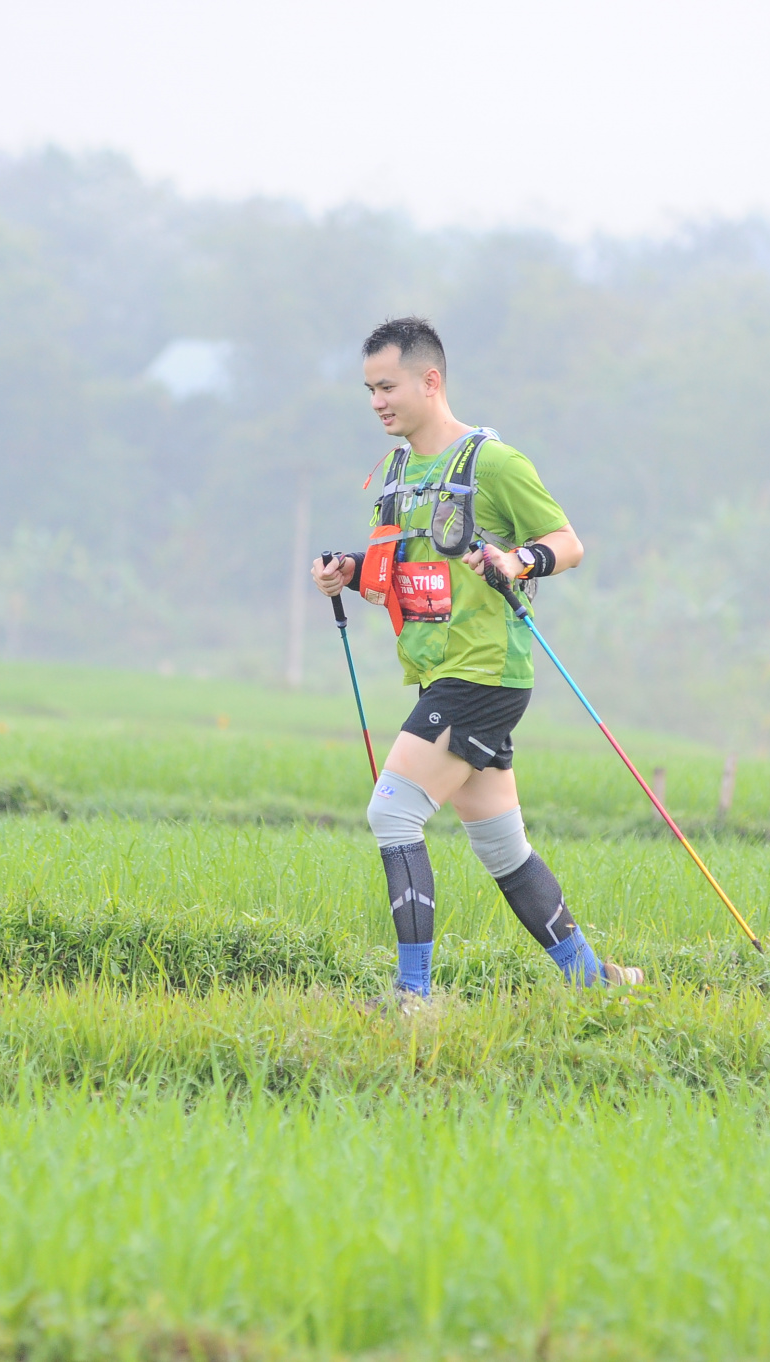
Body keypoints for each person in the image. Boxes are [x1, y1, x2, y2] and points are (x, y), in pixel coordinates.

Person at [313, 316, 642, 1000]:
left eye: (387, 386)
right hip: (440, 671)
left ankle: (413, 998)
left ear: (430, 381)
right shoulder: (396, 473)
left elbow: (568, 544)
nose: (376, 402)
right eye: (369, 389)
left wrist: (517, 560)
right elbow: (398, 569)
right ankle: (594, 980)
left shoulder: (493, 463)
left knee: (392, 814)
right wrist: (348, 568)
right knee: (501, 847)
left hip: (483, 673)